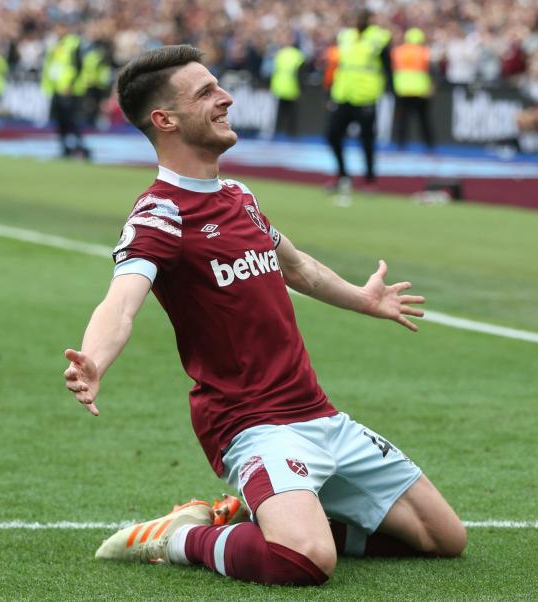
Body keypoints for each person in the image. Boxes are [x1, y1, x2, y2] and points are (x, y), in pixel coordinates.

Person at [64, 44, 466, 587]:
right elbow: (122, 301)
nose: (226, 97)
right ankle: (176, 535)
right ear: (165, 120)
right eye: (206, 92)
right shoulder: (159, 213)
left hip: (318, 413)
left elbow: (297, 267)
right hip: (252, 424)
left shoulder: (239, 196)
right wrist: (94, 359)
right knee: (304, 561)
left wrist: (363, 298)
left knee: (443, 538)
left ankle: (261, 514)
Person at [326, 9, 393, 196]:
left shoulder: (379, 38)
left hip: (366, 96)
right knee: (332, 135)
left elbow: (388, 67)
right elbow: (339, 66)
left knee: (367, 140)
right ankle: (342, 175)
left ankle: (370, 180)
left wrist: (390, 90)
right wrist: (330, 93)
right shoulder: (345, 36)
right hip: (343, 94)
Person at [41, 20, 90, 159]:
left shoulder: (74, 43)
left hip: (70, 89)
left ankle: (80, 146)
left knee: (72, 120)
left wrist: (71, 84)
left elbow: (78, 66)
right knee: (60, 120)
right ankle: (64, 146)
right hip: (57, 88)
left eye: (60, 27)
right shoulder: (55, 44)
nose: (57, 31)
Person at [391, 27, 435, 150]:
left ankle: (400, 145)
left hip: (402, 90)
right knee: (424, 120)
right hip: (420, 91)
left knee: (402, 120)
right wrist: (431, 87)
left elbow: (391, 70)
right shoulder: (425, 52)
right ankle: (429, 145)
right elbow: (433, 71)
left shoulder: (397, 51)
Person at [269, 30, 306, 138]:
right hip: (292, 88)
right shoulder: (298, 55)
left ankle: (278, 133)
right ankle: (291, 134)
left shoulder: (279, 53)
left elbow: (273, 71)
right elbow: (301, 74)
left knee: (280, 114)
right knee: (291, 115)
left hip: (280, 88)